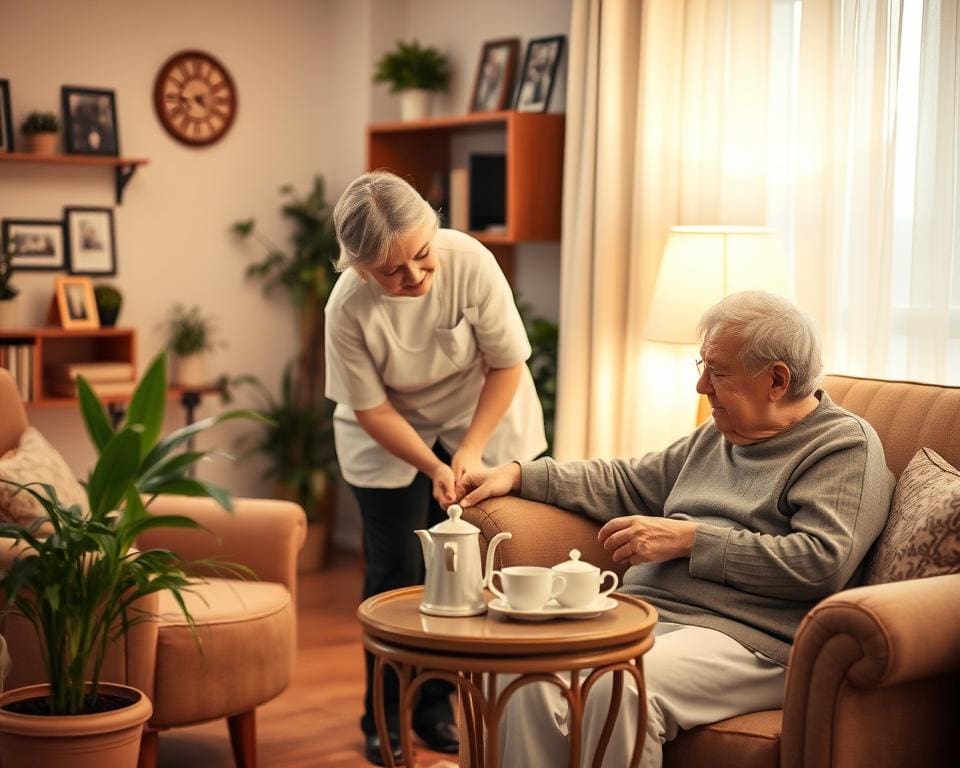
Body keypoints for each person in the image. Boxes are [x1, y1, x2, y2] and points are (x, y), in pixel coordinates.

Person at [457, 290, 895, 767]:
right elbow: (626, 480)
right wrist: (521, 474)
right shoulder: (719, 435)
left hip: (753, 639)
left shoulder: (842, 447)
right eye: (701, 367)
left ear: (776, 380)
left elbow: (820, 564)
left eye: (718, 372)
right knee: (518, 674)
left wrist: (688, 540)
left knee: (618, 686)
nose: (701, 386)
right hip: (651, 614)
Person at [326, 170, 546, 766]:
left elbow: (507, 366)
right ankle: (384, 717)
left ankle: (437, 709)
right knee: (395, 572)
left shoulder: (469, 261)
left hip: (483, 416)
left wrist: (466, 453)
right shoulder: (346, 306)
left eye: (422, 256)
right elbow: (368, 406)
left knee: (466, 568)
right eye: (392, 271)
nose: (415, 277)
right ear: (359, 267)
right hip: (388, 434)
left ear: (433, 229)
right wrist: (432, 464)